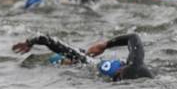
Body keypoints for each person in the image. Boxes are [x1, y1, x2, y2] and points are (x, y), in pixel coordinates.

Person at [12, 32, 154, 81]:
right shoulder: (136, 63)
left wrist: (30, 42)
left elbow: (48, 41)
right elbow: (134, 37)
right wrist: (104, 45)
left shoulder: (90, 65)